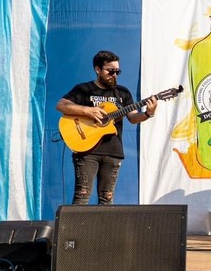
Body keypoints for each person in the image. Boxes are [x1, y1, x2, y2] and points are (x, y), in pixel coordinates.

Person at [56, 50, 157, 205]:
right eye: (111, 71)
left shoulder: (122, 92)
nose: (114, 75)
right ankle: (76, 230)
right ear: (98, 69)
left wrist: (148, 113)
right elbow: (61, 105)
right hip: (87, 150)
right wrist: (87, 110)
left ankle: (103, 230)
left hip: (113, 152)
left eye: (117, 71)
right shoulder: (84, 89)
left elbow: (133, 118)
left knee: (107, 199)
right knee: (82, 197)